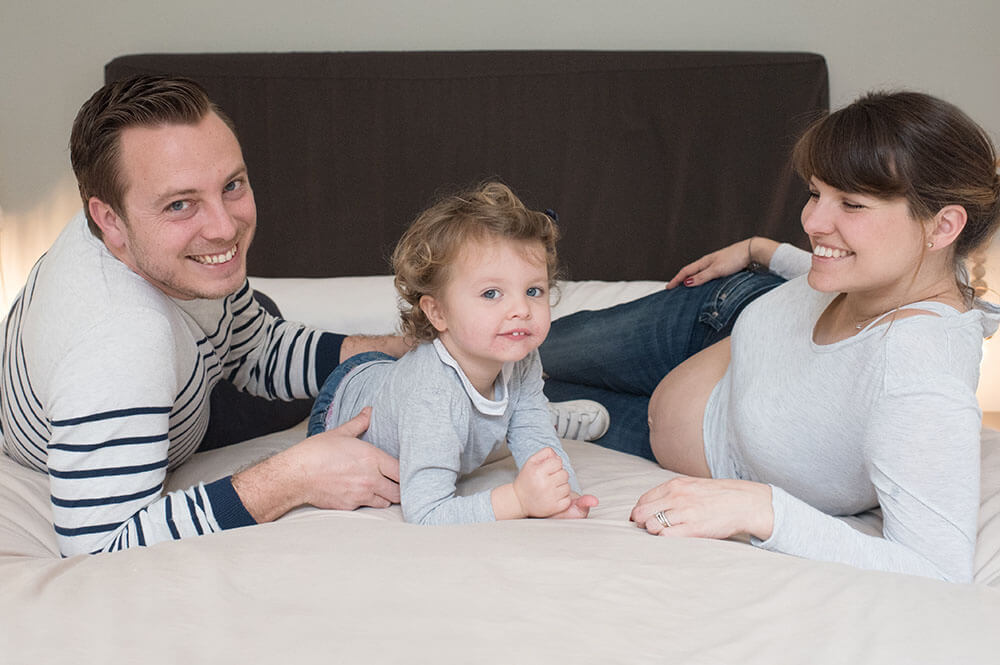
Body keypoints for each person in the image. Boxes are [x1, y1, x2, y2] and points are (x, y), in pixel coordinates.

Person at [539, 91, 1000, 582]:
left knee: (508, 398)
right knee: (513, 347)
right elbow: (828, 268)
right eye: (815, 193)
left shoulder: (919, 377)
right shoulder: (893, 275)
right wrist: (763, 250)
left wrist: (761, 508)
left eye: (852, 204)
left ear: (944, 225)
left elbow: (938, 570)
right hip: (712, 319)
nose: (813, 222)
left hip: (669, 436)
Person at [0, 75, 414, 556]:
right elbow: (100, 550)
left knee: (263, 317)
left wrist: (397, 346)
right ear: (109, 220)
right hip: (156, 406)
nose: (224, 229)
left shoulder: (139, 228)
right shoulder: (121, 343)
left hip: (187, 384)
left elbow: (257, 345)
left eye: (232, 185)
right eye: (181, 204)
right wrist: (297, 476)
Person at [308, 182, 601, 524]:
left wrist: (565, 497)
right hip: (341, 404)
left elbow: (536, 439)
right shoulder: (432, 395)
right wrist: (518, 500)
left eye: (533, 290)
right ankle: (523, 419)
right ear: (438, 313)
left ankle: (542, 414)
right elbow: (427, 511)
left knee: (520, 420)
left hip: (395, 383)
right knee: (452, 426)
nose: (521, 308)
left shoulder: (519, 355)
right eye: (492, 293)